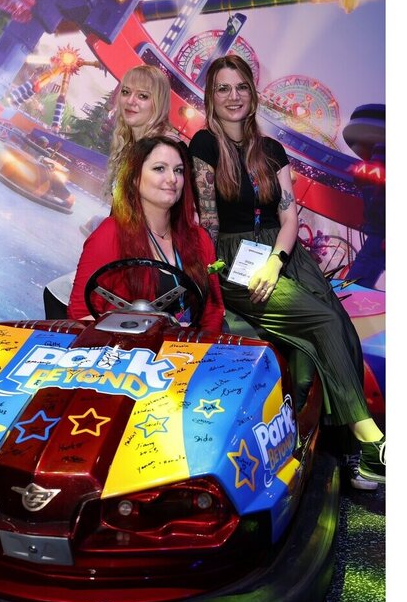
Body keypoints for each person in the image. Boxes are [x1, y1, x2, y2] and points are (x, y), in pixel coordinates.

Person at [188, 54, 385, 486]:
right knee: (322, 321)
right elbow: (208, 222)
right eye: (223, 88)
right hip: (234, 257)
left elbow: (289, 217)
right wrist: (216, 278)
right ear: (211, 97)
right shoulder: (203, 145)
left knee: (341, 328)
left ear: (252, 93)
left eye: (241, 87)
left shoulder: (272, 151)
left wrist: (276, 261)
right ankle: (372, 442)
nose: (233, 96)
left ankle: (343, 453)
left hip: (283, 251)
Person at [68, 136, 224, 334]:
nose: (172, 179)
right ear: (135, 177)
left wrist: (198, 344)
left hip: (187, 350)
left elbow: (213, 311)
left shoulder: (200, 239)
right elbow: (80, 314)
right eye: (160, 168)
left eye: (178, 170)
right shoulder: (110, 234)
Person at [81, 64, 185, 235]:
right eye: (126, 92)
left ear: (158, 103)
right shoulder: (132, 143)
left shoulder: (166, 148)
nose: (130, 101)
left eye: (142, 96)